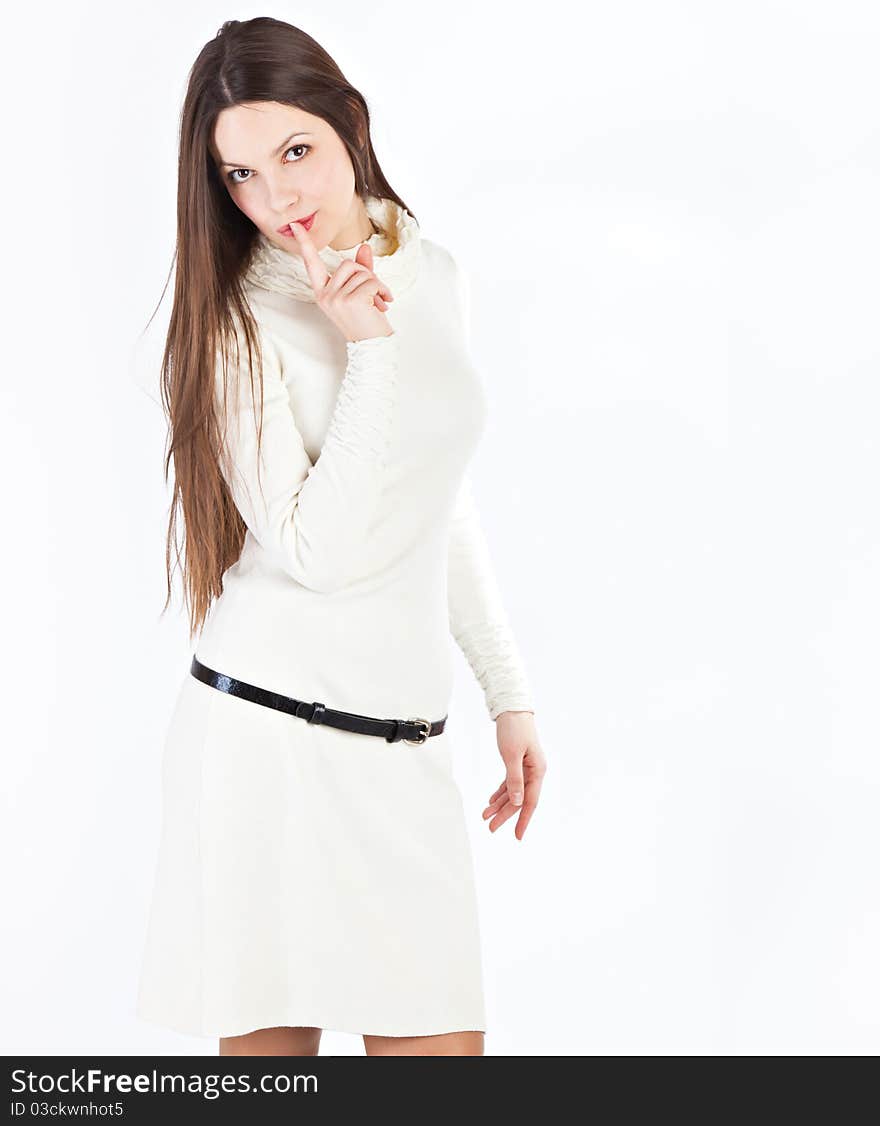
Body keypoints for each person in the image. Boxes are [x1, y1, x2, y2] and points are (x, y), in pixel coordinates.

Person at [135, 16, 547, 1058]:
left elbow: (434, 495)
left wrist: (507, 694)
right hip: (265, 744)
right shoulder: (237, 319)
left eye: (295, 152)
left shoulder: (437, 276)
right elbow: (315, 552)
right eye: (239, 174)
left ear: (348, 126)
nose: (277, 199)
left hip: (403, 751)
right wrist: (364, 351)